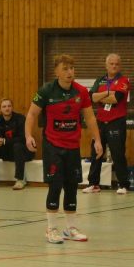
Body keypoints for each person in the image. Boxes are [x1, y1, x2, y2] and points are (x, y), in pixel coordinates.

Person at [25, 54, 103, 244]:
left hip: (72, 146)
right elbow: (32, 114)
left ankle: (70, 228)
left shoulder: (81, 92)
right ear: (57, 72)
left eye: (72, 68)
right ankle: (51, 229)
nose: (70, 72)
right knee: (55, 185)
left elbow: (90, 117)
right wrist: (28, 136)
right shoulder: (46, 91)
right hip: (53, 146)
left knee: (71, 186)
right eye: (65, 69)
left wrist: (97, 140)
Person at [82, 53, 131, 194]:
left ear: (119, 66)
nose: (114, 66)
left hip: (116, 122)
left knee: (118, 153)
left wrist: (100, 96)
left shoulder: (123, 80)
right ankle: (93, 184)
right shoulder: (100, 80)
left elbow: (116, 98)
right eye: (111, 63)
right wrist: (108, 93)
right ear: (106, 65)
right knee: (96, 152)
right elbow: (91, 97)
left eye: (117, 64)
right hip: (100, 122)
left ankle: (123, 185)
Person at [0, 98, 33, 189]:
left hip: (22, 152)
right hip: (7, 151)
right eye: (4, 107)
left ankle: (20, 180)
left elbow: (23, 138)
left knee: (18, 146)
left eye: (9, 106)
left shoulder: (20, 118)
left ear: (12, 107)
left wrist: (4, 141)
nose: (7, 108)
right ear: (0, 109)